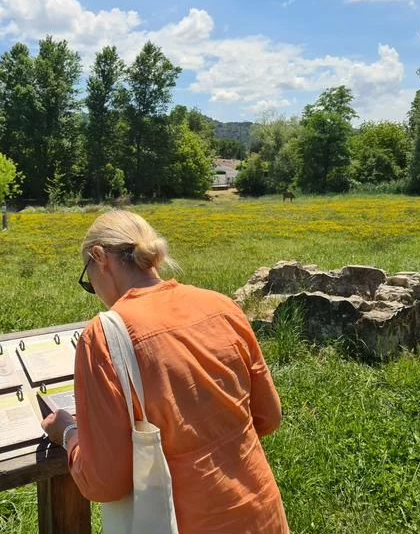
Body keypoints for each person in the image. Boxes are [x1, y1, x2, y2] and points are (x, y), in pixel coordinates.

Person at [42, 210, 289, 533]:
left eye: (88, 281)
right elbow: (268, 417)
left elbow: (104, 482)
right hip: (262, 513)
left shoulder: (103, 337)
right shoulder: (222, 306)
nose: (96, 291)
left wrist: (68, 434)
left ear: (99, 258)